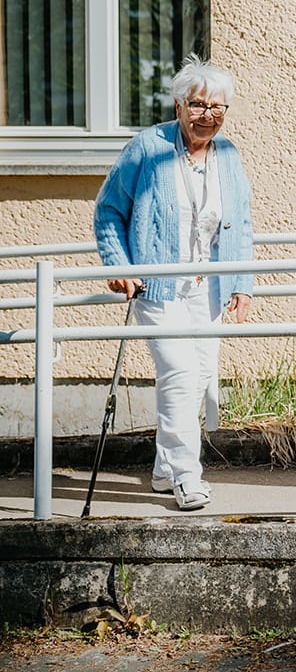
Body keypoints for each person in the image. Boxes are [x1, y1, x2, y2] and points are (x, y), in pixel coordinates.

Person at [93, 55, 255, 511]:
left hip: (208, 288)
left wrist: (241, 282)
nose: (208, 116)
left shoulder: (228, 155)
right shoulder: (148, 147)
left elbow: (240, 223)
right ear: (180, 105)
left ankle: (164, 469)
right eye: (199, 105)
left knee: (197, 377)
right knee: (181, 374)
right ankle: (187, 475)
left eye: (218, 108)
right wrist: (118, 265)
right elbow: (108, 211)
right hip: (159, 287)